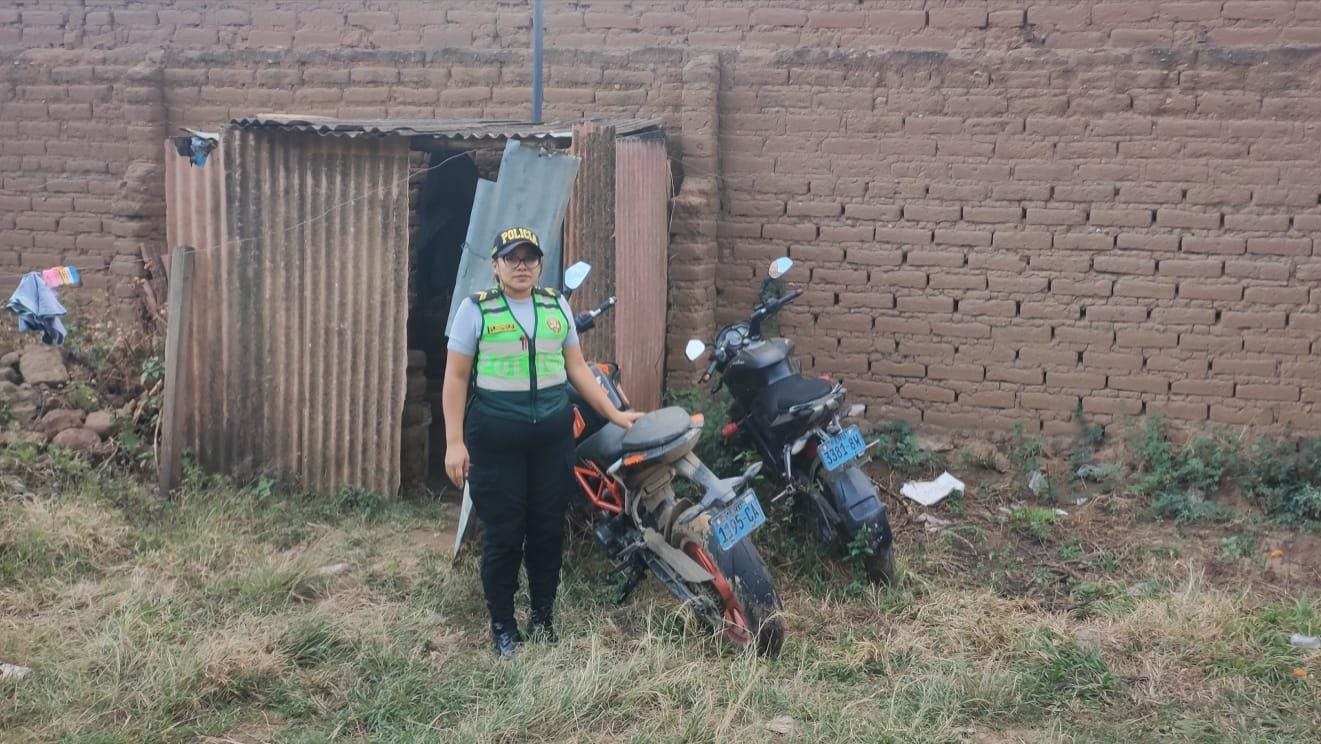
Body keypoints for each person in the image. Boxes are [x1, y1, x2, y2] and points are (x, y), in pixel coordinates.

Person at [442, 226, 644, 658]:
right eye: (512, 258)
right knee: (504, 534)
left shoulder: (555, 307)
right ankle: (503, 626)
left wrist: (613, 414)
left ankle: (543, 617)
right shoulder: (476, 310)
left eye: (529, 257)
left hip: (551, 439)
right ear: (495, 265)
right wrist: (454, 442)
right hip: (496, 440)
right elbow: (456, 378)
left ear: (539, 264)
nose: (521, 265)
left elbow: (578, 370)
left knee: (546, 530)